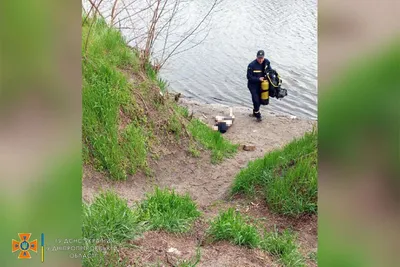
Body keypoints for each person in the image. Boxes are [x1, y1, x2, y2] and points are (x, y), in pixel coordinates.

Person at [246, 50, 272, 122]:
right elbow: (249, 77)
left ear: (264, 57)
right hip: (253, 85)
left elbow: (270, 71)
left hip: (262, 85)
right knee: (256, 100)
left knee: (260, 100)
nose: (260, 60)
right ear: (256, 57)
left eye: (262, 58)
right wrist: (258, 79)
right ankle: (258, 115)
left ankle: (255, 111)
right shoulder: (251, 65)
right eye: (259, 58)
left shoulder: (266, 62)